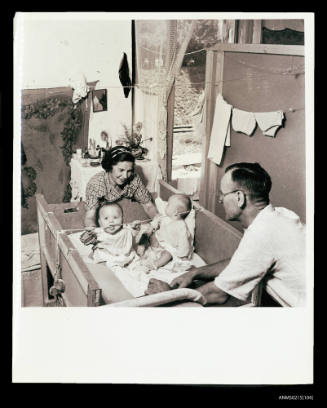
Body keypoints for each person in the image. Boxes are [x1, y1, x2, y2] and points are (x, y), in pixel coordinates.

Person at [170, 162, 306, 307]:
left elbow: (218, 294)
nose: (220, 199)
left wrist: (168, 295)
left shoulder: (261, 233)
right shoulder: (279, 215)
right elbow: (240, 261)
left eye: (223, 194)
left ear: (239, 197)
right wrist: (195, 273)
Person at [84, 146, 158, 228]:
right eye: (121, 170)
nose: (125, 176)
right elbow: (90, 217)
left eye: (129, 171)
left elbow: (148, 206)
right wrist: (93, 230)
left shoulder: (134, 179)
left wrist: (159, 221)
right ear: (110, 166)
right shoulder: (96, 183)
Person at [135, 194, 193, 272]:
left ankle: (155, 264)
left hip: (170, 247)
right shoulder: (164, 217)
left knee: (167, 255)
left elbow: (184, 243)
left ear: (175, 212)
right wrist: (154, 224)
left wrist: (183, 257)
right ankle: (141, 248)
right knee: (148, 233)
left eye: (168, 204)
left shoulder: (181, 226)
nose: (166, 205)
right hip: (160, 242)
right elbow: (153, 226)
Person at [89, 201, 136, 267]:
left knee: (135, 261)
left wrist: (136, 226)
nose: (111, 221)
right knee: (98, 258)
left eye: (115, 217)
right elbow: (89, 240)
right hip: (107, 257)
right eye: (106, 218)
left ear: (122, 219)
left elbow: (135, 233)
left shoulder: (126, 231)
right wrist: (90, 232)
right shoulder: (100, 233)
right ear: (100, 222)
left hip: (124, 257)